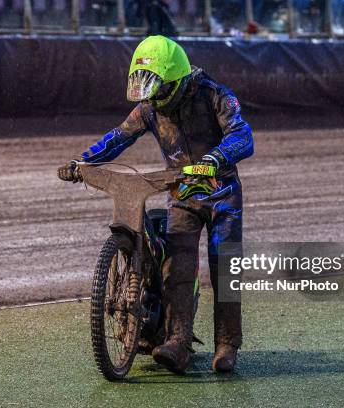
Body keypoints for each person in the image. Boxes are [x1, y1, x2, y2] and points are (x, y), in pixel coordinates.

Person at [58, 36, 253, 374]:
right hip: (181, 194)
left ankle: (227, 345)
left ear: (176, 80)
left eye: (160, 89)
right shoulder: (149, 106)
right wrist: (82, 162)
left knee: (225, 268)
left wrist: (214, 158)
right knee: (177, 268)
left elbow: (243, 136)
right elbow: (119, 136)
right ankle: (177, 342)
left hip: (223, 195)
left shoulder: (216, 95)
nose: (154, 98)